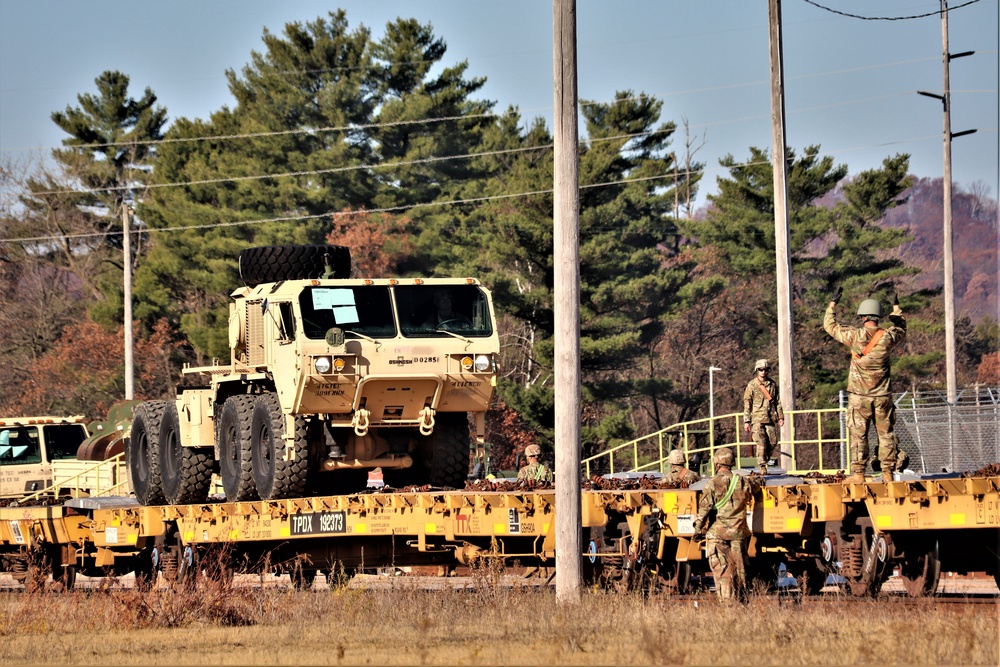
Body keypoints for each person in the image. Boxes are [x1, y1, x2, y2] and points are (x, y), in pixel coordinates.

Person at [824, 289, 906, 483]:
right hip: (882, 396)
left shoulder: (854, 336)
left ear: (862, 317)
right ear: (877, 316)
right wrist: (896, 308)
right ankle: (888, 473)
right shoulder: (887, 337)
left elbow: (830, 326)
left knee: (859, 435)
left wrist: (832, 305)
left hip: (859, 397)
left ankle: (859, 474)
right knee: (885, 435)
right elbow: (901, 327)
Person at [693, 448, 764, 602]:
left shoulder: (712, 484)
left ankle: (727, 606)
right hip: (739, 535)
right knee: (740, 572)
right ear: (731, 462)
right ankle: (741, 602)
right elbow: (758, 484)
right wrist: (759, 478)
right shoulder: (742, 482)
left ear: (717, 463)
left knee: (722, 571)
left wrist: (697, 530)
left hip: (717, 536)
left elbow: (703, 510)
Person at [742, 359, 784, 475]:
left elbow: (777, 402)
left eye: (765, 370)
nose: (763, 372)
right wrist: (746, 421)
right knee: (761, 442)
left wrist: (780, 417)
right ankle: (762, 466)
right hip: (756, 419)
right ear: (757, 370)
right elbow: (747, 403)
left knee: (773, 441)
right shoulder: (752, 385)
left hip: (769, 418)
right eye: (761, 370)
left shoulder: (772, 384)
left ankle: (764, 459)